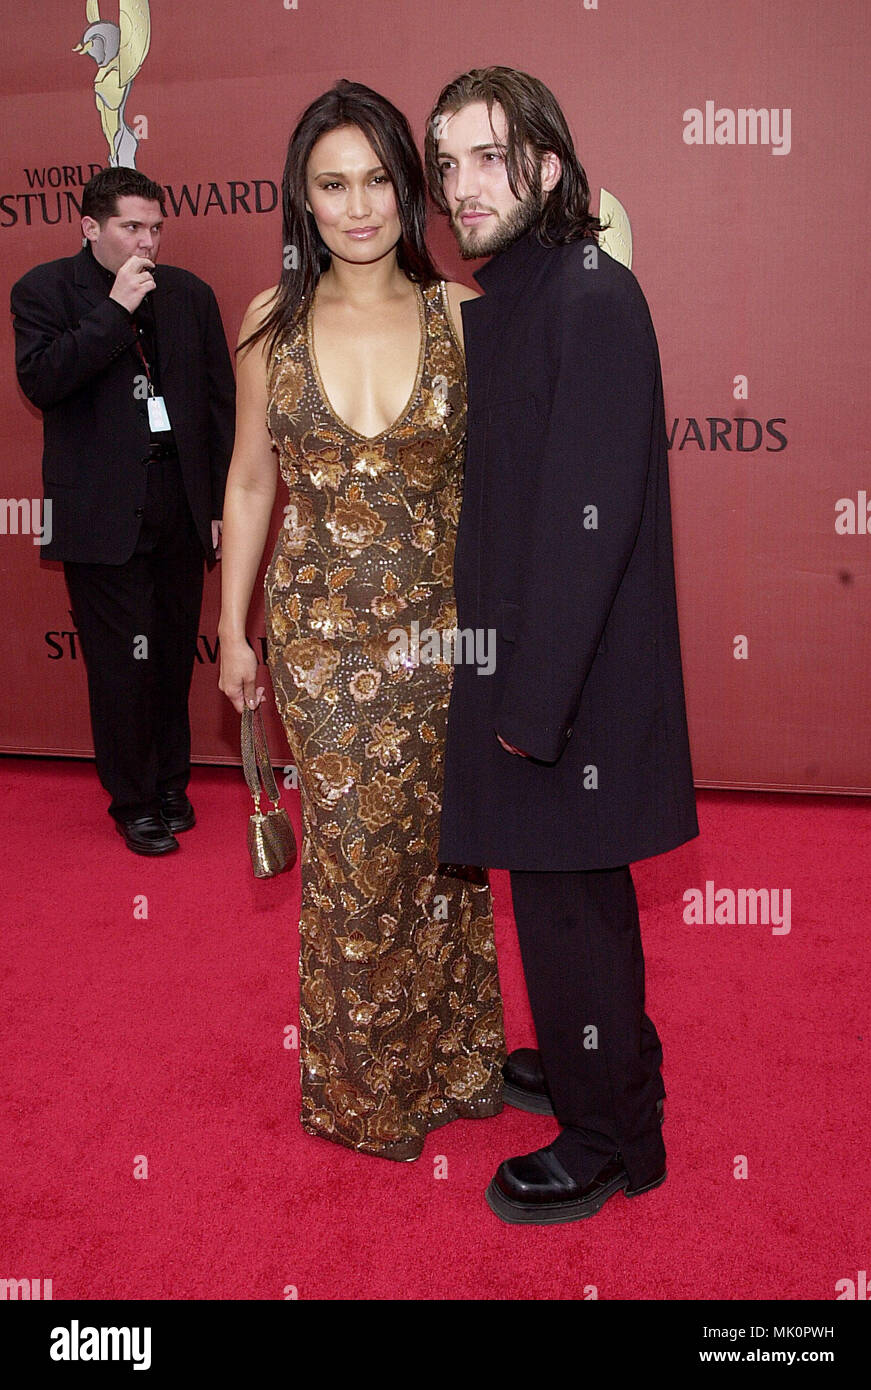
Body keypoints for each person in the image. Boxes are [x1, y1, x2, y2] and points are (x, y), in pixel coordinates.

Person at [425, 67, 699, 1222]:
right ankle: (604, 1063)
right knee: (562, 897)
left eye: (486, 159)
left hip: (563, 687)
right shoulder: (521, 292)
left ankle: (611, 1139)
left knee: (566, 904)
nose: (458, 188)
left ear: (544, 166)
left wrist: (528, 708)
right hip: (533, 669)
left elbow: (589, 526)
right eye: (444, 165)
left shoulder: (588, 294)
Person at [218, 80, 506, 1162]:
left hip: (444, 638)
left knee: (444, 857)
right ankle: (364, 1088)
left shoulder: (466, 317)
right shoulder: (267, 321)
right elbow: (251, 483)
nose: (357, 205)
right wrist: (233, 630)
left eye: (378, 179)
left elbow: (504, 491)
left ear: (409, 187)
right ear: (300, 195)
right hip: (320, 642)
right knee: (350, 858)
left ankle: (463, 1058)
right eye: (332, 183)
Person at [11, 166, 235, 855]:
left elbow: (220, 405)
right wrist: (113, 311)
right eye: (131, 227)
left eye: (155, 228)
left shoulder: (190, 296)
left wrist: (223, 503)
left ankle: (171, 783)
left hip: (178, 503)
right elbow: (43, 381)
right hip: (102, 513)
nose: (148, 243)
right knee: (119, 667)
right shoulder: (45, 291)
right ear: (90, 227)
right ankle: (134, 800)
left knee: (169, 656)